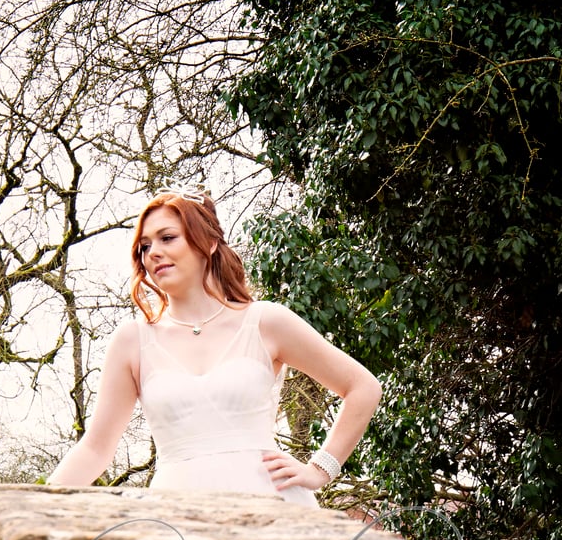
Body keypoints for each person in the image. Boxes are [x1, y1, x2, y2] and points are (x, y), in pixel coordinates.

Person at [48, 184, 382, 507]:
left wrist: (321, 468)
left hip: (273, 507)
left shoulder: (266, 322)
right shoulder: (132, 340)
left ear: (208, 243)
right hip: (178, 514)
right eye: (145, 246)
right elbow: (95, 449)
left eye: (167, 238)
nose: (153, 253)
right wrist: (33, 506)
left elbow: (363, 388)